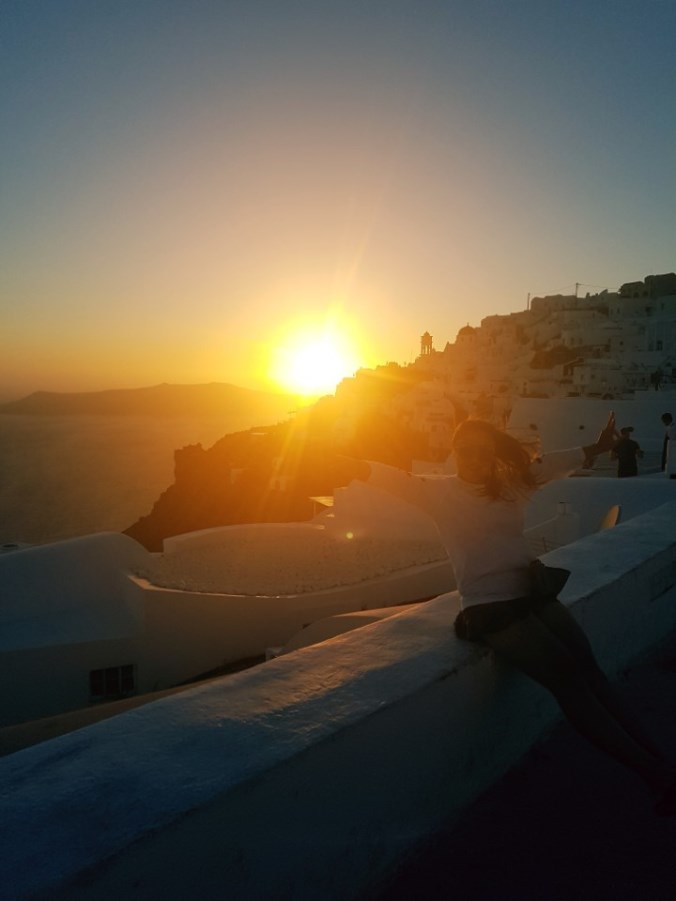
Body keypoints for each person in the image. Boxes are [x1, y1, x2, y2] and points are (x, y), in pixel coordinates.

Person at [335, 412, 676, 815]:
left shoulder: (510, 484)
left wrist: (599, 447)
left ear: (493, 453)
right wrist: (346, 462)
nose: (475, 458)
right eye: (466, 451)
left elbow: (551, 463)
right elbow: (393, 478)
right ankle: (654, 774)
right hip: (491, 607)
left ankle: (659, 761)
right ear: (455, 452)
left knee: (591, 672)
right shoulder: (439, 493)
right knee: (570, 683)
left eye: (483, 451)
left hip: (532, 594)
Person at [661, 412, 675, 478]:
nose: (663, 423)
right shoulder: (670, 428)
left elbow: (672, 440)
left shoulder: (672, 428)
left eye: (664, 421)